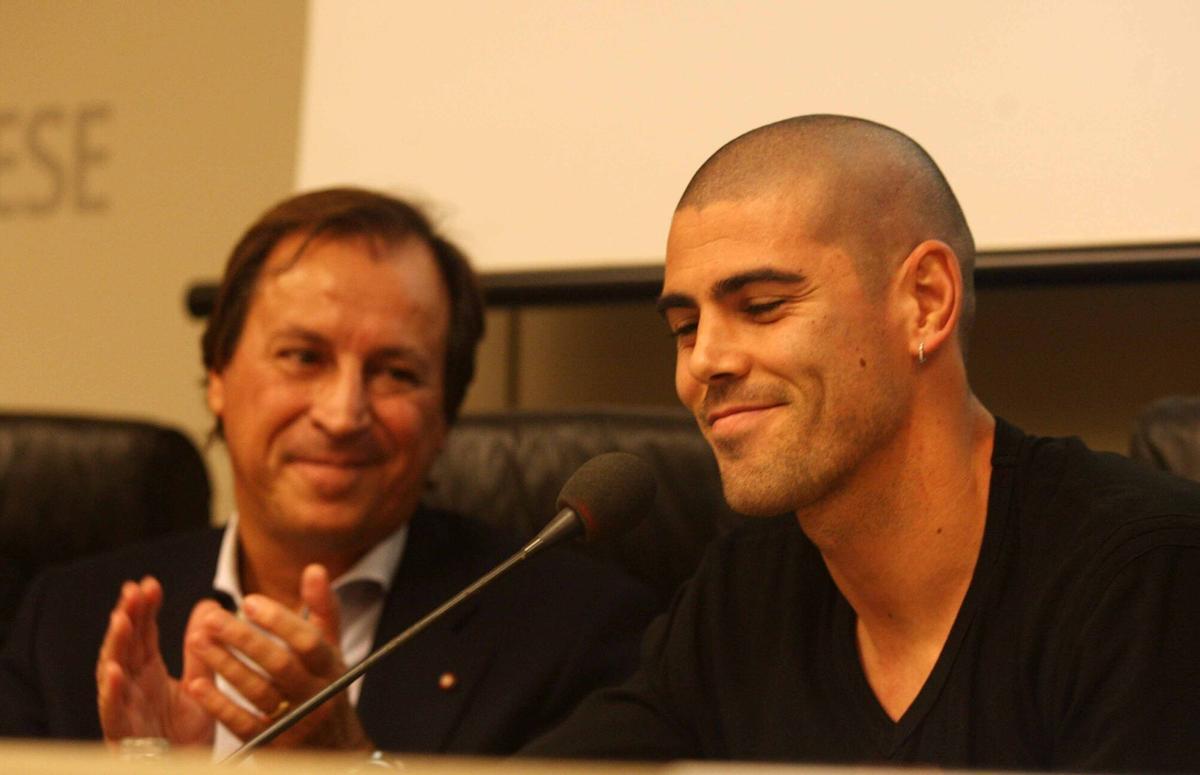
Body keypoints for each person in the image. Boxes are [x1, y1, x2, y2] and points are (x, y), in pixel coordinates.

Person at [525, 115, 1200, 771]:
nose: (704, 361)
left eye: (761, 307)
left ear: (925, 301)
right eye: (683, 327)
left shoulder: (1144, 576)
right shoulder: (740, 598)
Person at [0, 188, 654, 756]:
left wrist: (349, 762)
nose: (343, 413)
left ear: (445, 414)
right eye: (303, 356)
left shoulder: (571, 631)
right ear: (218, 378)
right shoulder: (67, 621)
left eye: (397, 372)